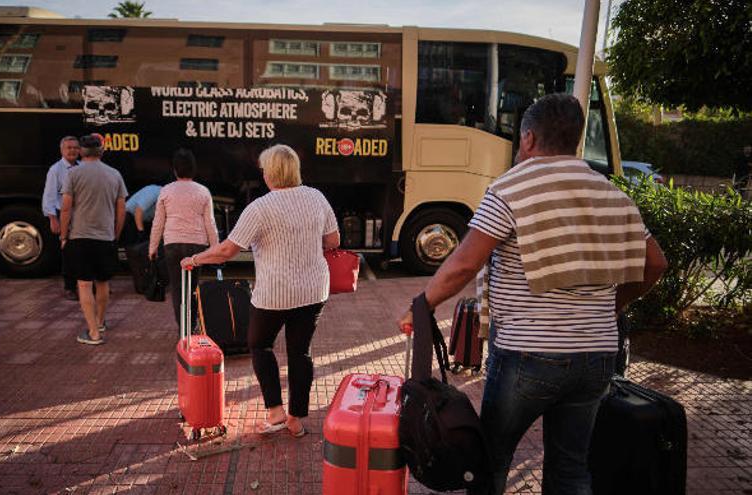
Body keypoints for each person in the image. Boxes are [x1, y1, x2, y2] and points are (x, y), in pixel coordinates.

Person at [397, 94, 668, 494]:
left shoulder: (511, 188)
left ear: (527, 138)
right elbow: (656, 263)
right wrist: (614, 306)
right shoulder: (612, 192)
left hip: (528, 354)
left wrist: (421, 305)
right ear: (576, 140)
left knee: (490, 462)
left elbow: (463, 263)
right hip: (596, 353)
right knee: (572, 468)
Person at [180, 144, 340, 438]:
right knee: (300, 352)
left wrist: (194, 259)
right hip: (314, 289)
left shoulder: (260, 208)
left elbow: (227, 250)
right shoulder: (317, 198)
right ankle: (295, 419)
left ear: (271, 174)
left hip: (275, 293)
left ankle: (275, 411)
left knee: (260, 345)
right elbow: (333, 240)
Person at [60, 135, 127, 345]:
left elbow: (66, 207)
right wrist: (115, 234)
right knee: (103, 282)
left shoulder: (73, 174)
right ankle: (99, 321)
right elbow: (121, 209)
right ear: (102, 151)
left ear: (81, 151)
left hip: (80, 236)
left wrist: (63, 235)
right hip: (105, 237)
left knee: (84, 284)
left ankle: (93, 333)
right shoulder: (114, 174)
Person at [148, 149, 218, 329]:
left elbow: (158, 222)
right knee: (193, 286)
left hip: (172, 244)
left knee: (178, 289)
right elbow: (209, 222)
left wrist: (152, 247)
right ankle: (193, 324)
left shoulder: (166, 191)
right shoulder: (203, 191)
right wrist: (215, 248)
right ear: (193, 169)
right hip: (196, 245)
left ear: (175, 170)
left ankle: (183, 328)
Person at [42, 136, 81, 300]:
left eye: (75, 148)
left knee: (83, 251)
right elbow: (49, 195)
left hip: (81, 215)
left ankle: (88, 284)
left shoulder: (83, 167)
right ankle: (70, 287)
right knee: (68, 252)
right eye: (68, 148)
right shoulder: (55, 170)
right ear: (62, 150)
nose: (72, 151)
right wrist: (53, 218)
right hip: (63, 214)